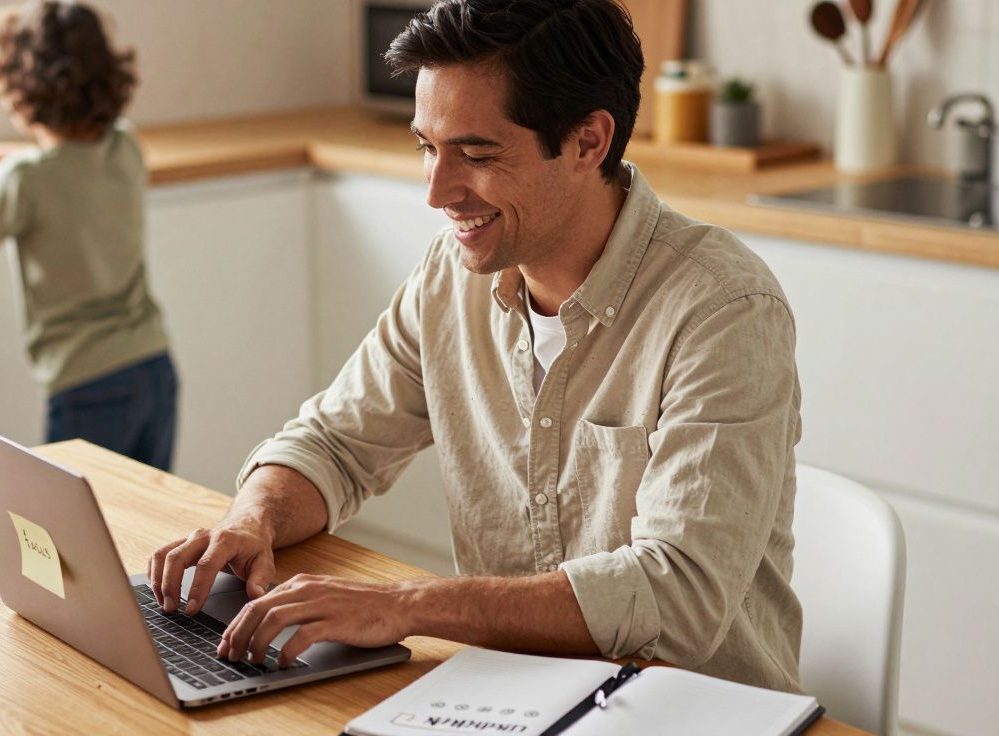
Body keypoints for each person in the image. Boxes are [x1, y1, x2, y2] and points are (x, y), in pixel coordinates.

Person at [151, 0, 803, 693]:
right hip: (509, 698)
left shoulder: (724, 309)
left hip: (697, 711)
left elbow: (677, 596)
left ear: (589, 142)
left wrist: (406, 605)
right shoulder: (450, 277)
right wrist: (253, 517)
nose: (437, 191)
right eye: (427, 147)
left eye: (476, 154)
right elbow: (335, 444)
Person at [0, 1, 177, 471]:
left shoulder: (25, 180)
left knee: (68, 536)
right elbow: (75, 166)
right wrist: (22, 156)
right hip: (153, 368)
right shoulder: (126, 144)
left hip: (87, 383)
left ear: (20, 91)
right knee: (142, 521)